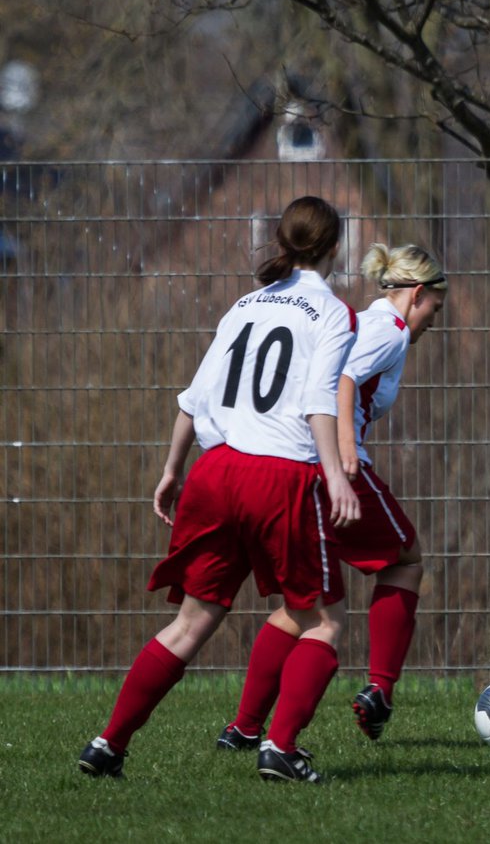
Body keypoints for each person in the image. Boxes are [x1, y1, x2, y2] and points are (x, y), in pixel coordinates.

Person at [77, 195, 361, 782]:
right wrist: (335, 476)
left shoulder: (245, 304)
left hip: (215, 470)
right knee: (323, 622)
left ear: (284, 243)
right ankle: (279, 749)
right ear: (333, 247)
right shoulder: (332, 312)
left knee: (190, 621)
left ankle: (108, 745)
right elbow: (316, 404)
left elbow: (195, 396)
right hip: (277, 475)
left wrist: (172, 469)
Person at [216, 243, 446, 750]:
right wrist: (344, 457)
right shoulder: (390, 331)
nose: (434, 320)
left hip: (293, 468)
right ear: (418, 294)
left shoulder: (364, 320)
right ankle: (380, 689)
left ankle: (244, 728)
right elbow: (342, 380)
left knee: (302, 607)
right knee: (406, 558)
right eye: (436, 308)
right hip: (335, 467)